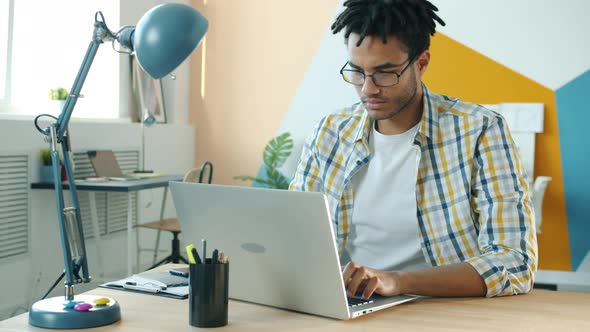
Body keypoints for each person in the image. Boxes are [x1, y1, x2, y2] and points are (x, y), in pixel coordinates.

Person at [289, 0, 537, 299]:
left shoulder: (480, 130)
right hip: (350, 307)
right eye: (357, 72)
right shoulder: (330, 133)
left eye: (385, 73)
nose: (368, 89)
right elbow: (297, 238)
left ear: (421, 63)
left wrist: (396, 282)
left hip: (443, 310)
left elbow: (514, 263)